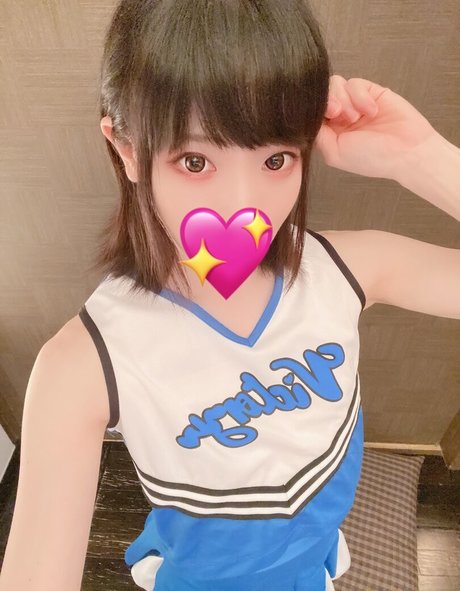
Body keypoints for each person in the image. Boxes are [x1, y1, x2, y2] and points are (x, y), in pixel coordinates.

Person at [1, 1, 459, 591]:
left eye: (276, 158)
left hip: (315, 560)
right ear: (128, 150)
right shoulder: (85, 363)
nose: (243, 206)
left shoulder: (348, 270)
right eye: (195, 160)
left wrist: (418, 157)